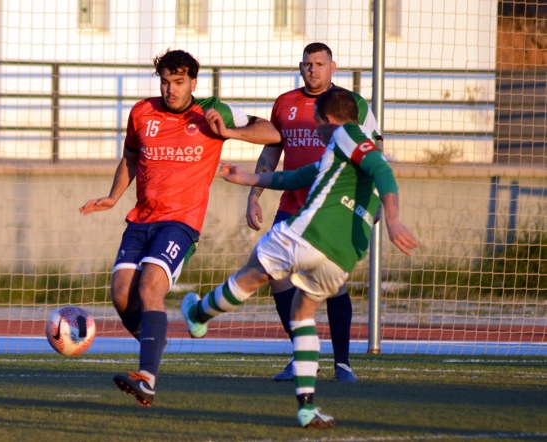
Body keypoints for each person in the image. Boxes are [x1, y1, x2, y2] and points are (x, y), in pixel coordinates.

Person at [181, 87, 417, 428]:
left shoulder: (348, 135)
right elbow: (299, 176)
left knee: (253, 273)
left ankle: (198, 314)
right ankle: (307, 407)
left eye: (318, 121)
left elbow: (383, 169)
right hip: (342, 258)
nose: (316, 128)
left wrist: (394, 221)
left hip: (308, 235)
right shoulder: (340, 154)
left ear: (329, 119)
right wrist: (248, 177)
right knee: (303, 312)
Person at [79, 49, 281, 407]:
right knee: (121, 294)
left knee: (150, 286)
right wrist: (113, 197)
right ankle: (154, 341)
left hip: (181, 222)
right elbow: (130, 156)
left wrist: (229, 131)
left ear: (193, 82)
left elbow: (272, 133)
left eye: (178, 82)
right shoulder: (142, 112)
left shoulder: (210, 110)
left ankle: (147, 378)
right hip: (141, 218)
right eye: (165, 82)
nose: (171, 89)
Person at [246, 42, 383, 382]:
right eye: (307, 64)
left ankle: (343, 363)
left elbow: (375, 152)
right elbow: (271, 153)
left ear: (332, 67)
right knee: (276, 278)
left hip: (332, 208)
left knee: (331, 284)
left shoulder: (352, 104)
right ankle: (301, 357)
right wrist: (254, 195)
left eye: (319, 63)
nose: (313, 70)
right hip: (291, 204)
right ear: (300, 66)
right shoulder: (285, 103)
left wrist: (375, 197)